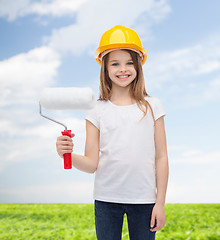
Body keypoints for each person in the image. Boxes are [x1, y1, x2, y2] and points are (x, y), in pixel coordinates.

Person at [56, 25, 169, 240]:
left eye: (129, 63)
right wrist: (67, 154)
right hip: (107, 200)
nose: (123, 69)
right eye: (115, 63)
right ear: (105, 69)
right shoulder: (96, 110)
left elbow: (161, 156)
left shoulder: (153, 106)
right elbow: (91, 164)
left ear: (138, 66)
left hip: (145, 200)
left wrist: (160, 202)